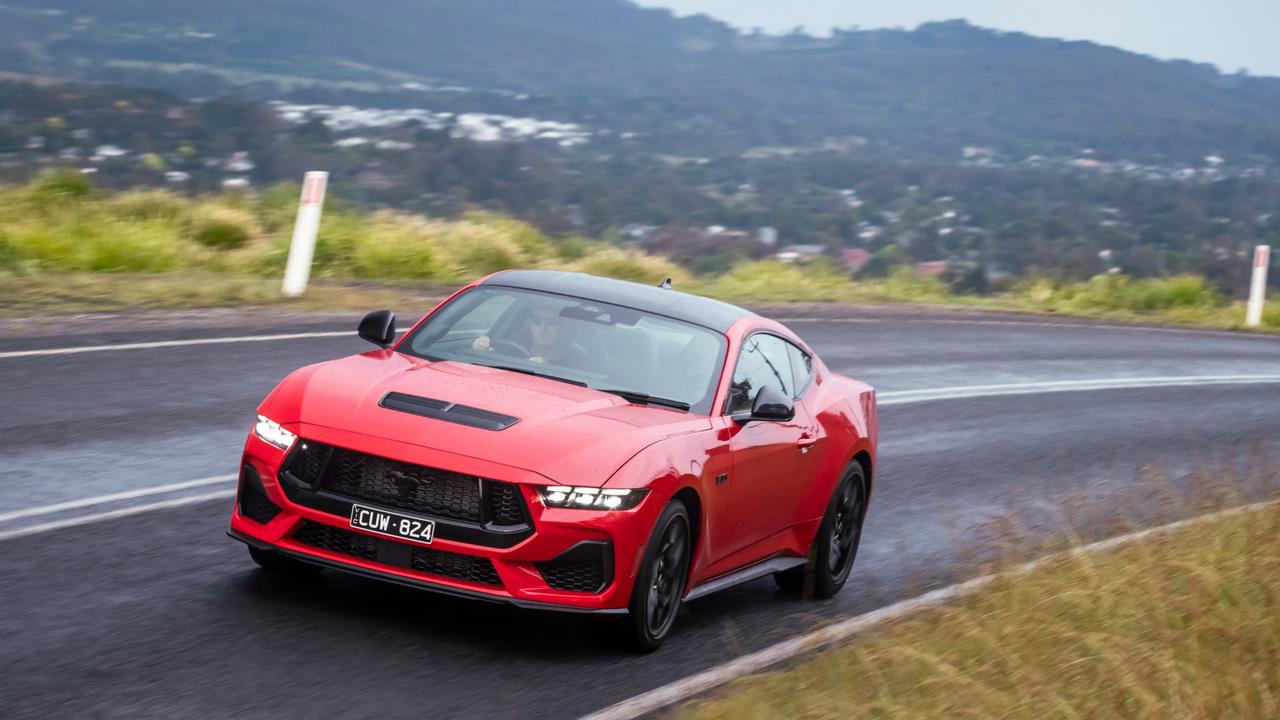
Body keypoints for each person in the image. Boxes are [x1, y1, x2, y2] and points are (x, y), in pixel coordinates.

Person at [471, 307, 591, 368]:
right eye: (537, 320)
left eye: (552, 322)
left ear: (564, 329)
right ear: (530, 325)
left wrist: (545, 371)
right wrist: (479, 354)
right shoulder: (507, 351)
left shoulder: (576, 365)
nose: (543, 327)